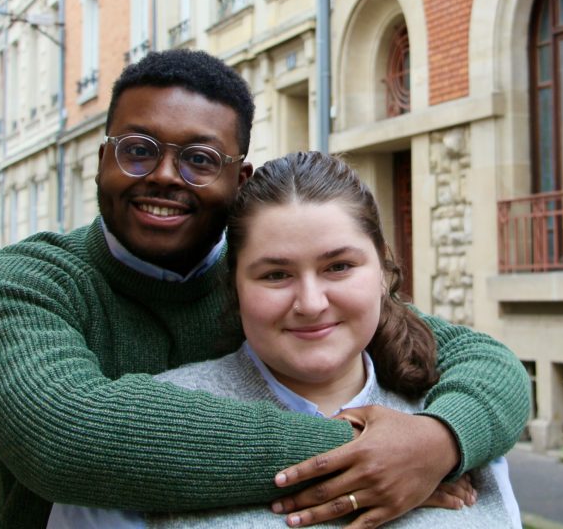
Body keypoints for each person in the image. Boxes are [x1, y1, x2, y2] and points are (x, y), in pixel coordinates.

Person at [0, 49, 531, 529]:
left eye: (200, 159)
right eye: (137, 149)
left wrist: (440, 439)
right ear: (102, 158)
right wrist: (368, 459)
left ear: (241, 181)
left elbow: (475, 357)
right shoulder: (24, 285)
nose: (162, 174)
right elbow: (65, 434)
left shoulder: (274, 275)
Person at [47, 151, 522, 527]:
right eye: (276, 274)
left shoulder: (456, 425)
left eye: (339, 266)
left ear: (384, 270)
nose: (311, 302)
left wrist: (439, 445)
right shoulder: (142, 430)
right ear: (234, 287)